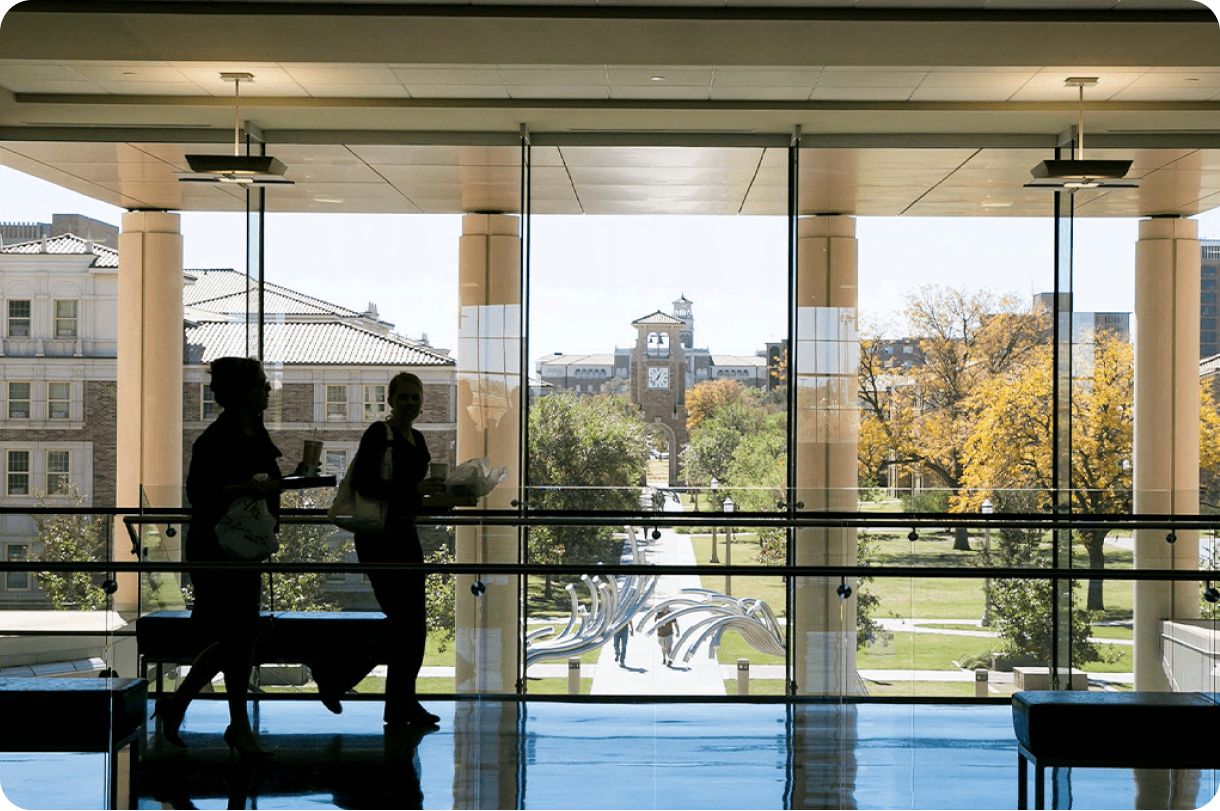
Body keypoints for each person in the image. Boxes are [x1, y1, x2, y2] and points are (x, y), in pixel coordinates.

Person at [153, 357, 282, 758]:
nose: (268, 390)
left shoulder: (248, 432)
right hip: (218, 546)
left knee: (238, 638)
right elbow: (200, 495)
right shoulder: (216, 439)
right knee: (238, 637)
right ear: (244, 391)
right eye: (262, 384)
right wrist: (245, 488)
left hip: (239, 545)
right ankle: (233, 725)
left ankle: (185, 708)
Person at [313, 372, 442, 728]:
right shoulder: (378, 434)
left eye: (415, 397)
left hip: (403, 534)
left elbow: (411, 492)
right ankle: (344, 679)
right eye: (403, 397)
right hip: (380, 539)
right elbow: (366, 483)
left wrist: (434, 494)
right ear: (390, 400)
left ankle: (396, 701)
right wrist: (414, 491)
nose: (410, 403)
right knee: (405, 623)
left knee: (413, 625)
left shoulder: (417, 438)